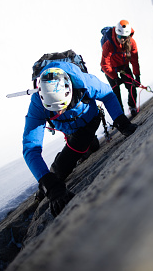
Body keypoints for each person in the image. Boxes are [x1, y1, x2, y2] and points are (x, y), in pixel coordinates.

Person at [22, 61, 138, 217]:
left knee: (72, 157)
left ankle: (78, 153)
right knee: (74, 158)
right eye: (54, 109)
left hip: (89, 122)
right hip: (71, 129)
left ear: (69, 90)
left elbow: (108, 95)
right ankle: (48, 183)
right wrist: (48, 182)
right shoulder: (37, 104)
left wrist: (121, 122)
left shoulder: (85, 82)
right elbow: (31, 148)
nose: (60, 111)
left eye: (63, 105)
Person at [101, 20, 141, 117]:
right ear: (116, 34)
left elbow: (134, 60)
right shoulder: (108, 44)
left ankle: (132, 107)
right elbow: (104, 64)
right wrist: (115, 78)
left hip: (123, 67)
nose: (122, 39)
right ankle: (121, 115)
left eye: (124, 37)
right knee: (116, 93)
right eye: (119, 37)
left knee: (131, 86)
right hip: (111, 69)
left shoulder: (131, 43)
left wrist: (137, 76)